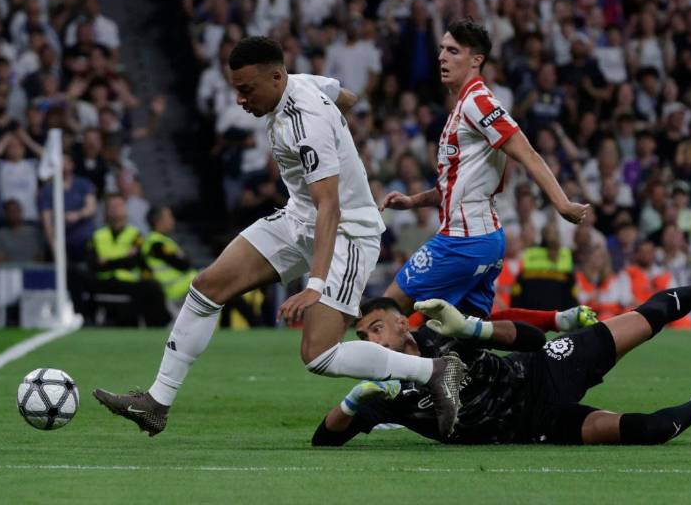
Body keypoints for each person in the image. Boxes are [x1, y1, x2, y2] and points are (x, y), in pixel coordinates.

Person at [93, 37, 468, 439]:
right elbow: (348, 96)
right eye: (236, 88)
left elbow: (331, 208)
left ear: (276, 78)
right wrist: (340, 128)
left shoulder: (306, 123)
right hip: (298, 218)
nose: (240, 99)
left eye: (246, 89)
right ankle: (157, 402)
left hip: (346, 233)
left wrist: (314, 284)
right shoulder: (301, 83)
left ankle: (434, 371)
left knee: (318, 355)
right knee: (206, 287)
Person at [311, 259, 691, 447]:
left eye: (377, 328)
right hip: (537, 425)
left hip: (544, 370)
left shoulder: (442, 331)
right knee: (650, 433)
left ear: (403, 323)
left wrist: (470, 327)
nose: (371, 341)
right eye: (364, 336)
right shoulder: (383, 389)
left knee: (648, 318)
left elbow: (531, 340)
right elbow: (326, 438)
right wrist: (353, 399)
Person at [378, 19, 589, 326]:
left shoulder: (478, 102)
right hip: (485, 238)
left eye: (453, 51)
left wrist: (562, 204)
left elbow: (526, 152)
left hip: (463, 240)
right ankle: (557, 321)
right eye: (441, 50)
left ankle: (383, 375)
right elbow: (455, 187)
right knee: (467, 335)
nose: (442, 58)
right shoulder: (463, 107)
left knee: (384, 314)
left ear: (476, 60)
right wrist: (413, 201)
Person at [86, 193, 168, 327]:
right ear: (106, 210)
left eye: (118, 205)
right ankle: (86, 320)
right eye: (111, 206)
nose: (115, 209)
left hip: (128, 282)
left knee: (151, 286)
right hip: (104, 281)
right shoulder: (97, 235)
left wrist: (107, 261)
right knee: (77, 275)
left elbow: (133, 262)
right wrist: (123, 259)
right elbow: (93, 264)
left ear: (125, 209)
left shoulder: (135, 234)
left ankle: (157, 326)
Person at [141, 205, 197, 310]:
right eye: (169, 217)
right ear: (158, 221)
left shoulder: (163, 240)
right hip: (176, 289)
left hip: (185, 286)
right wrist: (182, 256)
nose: (172, 220)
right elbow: (184, 264)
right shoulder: (156, 243)